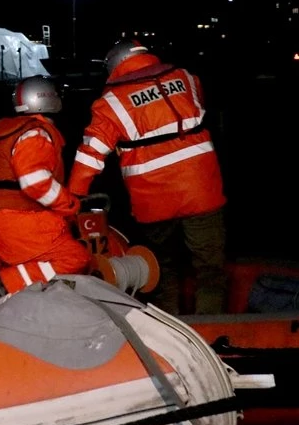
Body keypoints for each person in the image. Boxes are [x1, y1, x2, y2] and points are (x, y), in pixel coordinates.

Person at [68, 39, 227, 314]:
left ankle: (170, 327)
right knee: (210, 266)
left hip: (154, 198)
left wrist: (72, 198)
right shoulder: (185, 77)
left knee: (162, 267)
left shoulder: (110, 103)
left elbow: (90, 155)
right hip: (202, 189)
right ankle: (210, 332)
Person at [0, 76, 91, 293]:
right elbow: (34, 181)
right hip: (19, 220)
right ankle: (5, 283)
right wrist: (70, 204)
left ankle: (14, 293)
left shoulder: (8, 133)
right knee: (75, 258)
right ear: (48, 98)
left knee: (30, 270)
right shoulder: (36, 133)